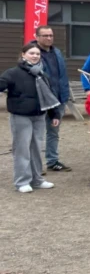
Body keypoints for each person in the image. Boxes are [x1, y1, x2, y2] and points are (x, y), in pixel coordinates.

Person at [0, 43, 61, 193]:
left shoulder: (42, 74)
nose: (35, 56)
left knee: (36, 148)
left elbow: (49, 95)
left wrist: (54, 114)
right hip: (21, 116)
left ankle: (37, 179)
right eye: (31, 53)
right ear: (23, 55)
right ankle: (22, 181)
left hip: (39, 116)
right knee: (22, 149)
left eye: (37, 54)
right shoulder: (12, 73)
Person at [32, 25, 72, 172]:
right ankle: (35, 165)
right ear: (37, 37)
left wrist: (64, 95)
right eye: (45, 35)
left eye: (50, 35)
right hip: (40, 100)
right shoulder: (33, 53)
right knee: (36, 133)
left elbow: (62, 75)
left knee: (53, 131)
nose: (49, 38)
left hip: (58, 99)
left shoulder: (57, 52)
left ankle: (52, 161)